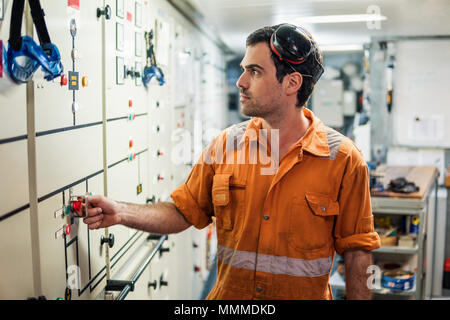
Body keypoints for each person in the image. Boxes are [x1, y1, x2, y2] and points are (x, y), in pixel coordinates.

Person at [81, 24, 381, 300]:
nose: (240, 82)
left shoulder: (343, 158)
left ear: (291, 83)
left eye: (254, 71)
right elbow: (183, 212)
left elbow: (358, 253)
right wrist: (121, 212)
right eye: (243, 69)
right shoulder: (226, 144)